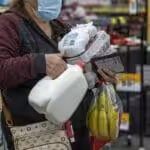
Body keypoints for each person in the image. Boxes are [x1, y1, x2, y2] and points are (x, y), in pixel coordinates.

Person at [0, 0, 117, 150]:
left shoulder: (59, 26)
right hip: (37, 136)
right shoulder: (8, 23)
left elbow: (78, 65)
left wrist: (99, 70)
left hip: (77, 132)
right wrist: (39, 62)